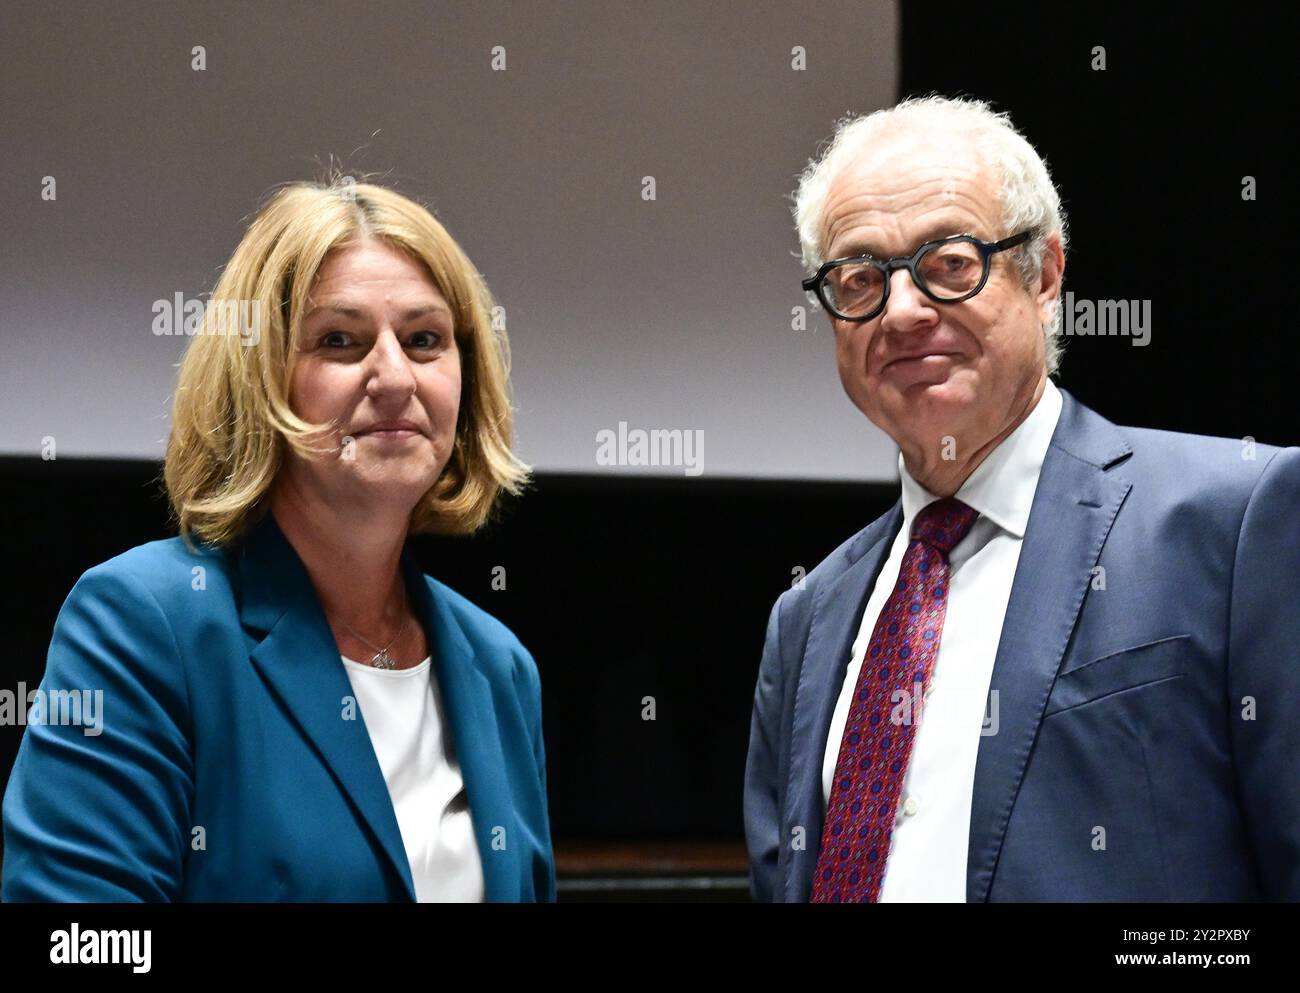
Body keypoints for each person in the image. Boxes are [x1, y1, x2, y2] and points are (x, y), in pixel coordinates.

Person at [743, 95, 1299, 902]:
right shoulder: (807, 618)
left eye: (950, 262)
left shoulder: (1235, 520)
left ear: (1044, 275)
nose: (902, 310)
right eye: (861, 278)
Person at [2, 178, 555, 902]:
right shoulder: (145, 624)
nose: (394, 376)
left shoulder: (500, 666)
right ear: (257, 377)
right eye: (338, 340)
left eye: (425, 339)